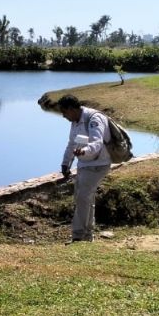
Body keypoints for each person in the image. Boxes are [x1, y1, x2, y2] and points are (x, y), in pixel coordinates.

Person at [57, 94, 111, 243]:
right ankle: (87, 236)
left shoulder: (94, 119)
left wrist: (84, 151)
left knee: (82, 198)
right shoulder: (74, 121)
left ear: (72, 109)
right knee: (83, 198)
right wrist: (65, 163)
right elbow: (71, 143)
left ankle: (78, 236)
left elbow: (97, 143)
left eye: (64, 112)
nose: (63, 116)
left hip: (98, 165)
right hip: (84, 164)